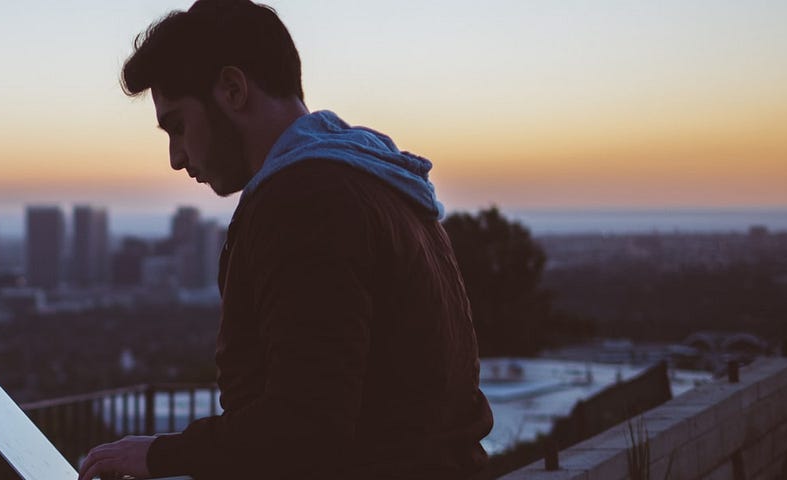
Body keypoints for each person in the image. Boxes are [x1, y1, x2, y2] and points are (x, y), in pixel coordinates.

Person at [77, 1, 493, 479]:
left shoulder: (305, 202)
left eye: (177, 125)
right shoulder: (381, 184)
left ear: (232, 89)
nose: (175, 156)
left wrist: (160, 455)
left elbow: (306, 428)